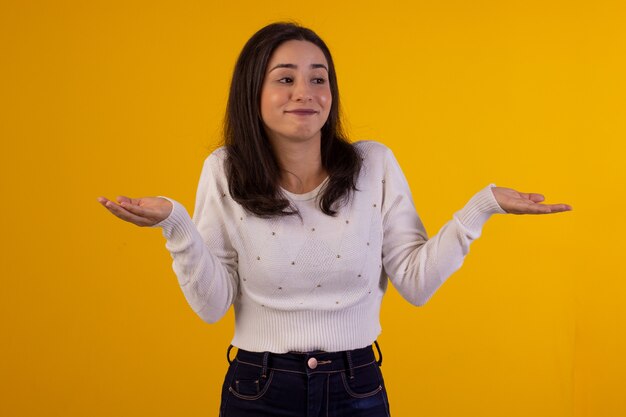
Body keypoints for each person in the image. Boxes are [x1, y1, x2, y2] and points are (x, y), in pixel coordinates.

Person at [97, 22, 572, 417]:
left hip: (357, 386)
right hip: (258, 389)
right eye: (285, 78)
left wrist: (481, 207)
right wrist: (176, 225)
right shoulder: (225, 171)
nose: (304, 92)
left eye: (318, 78)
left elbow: (416, 282)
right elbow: (211, 305)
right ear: (253, 91)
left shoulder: (375, 165)